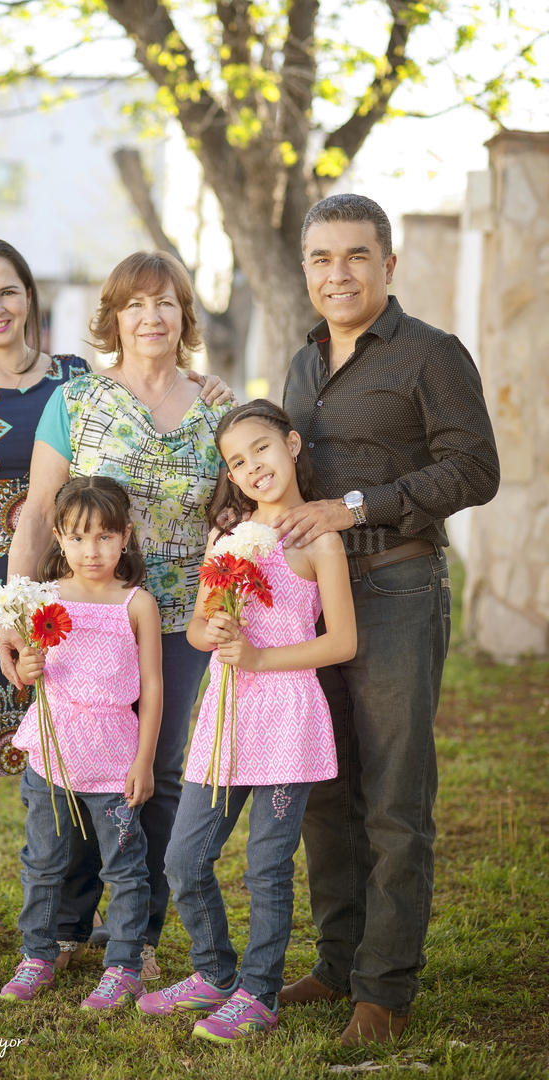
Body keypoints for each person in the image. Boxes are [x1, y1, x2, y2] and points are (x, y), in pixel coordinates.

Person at [0, 238, 227, 958]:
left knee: (134, 762)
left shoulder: (120, 388)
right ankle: (18, 908)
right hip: (35, 599)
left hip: (140, 599)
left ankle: (120, 924)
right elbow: (24, 504)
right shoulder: (0, 390)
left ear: (31, 296)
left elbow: (214, 484)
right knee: (19, 754)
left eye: (9, 291)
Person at [276, 194, 500, 1046]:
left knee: (396, 797)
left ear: (389, 264)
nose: (339, 274)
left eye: (356, 257)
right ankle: (337, 964)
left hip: (400, 589)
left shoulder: (431, 354)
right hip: (316, 600)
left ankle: (386, 989)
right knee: (328, 790)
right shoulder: (300, 364)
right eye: (322, 259)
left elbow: (475, 468)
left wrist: (359, 504)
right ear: (306, 270)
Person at [1, 250, 234, 980]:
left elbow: (240, 505)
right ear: (115, 317)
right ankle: (66, 925)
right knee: (71, 766)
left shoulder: (218, 406)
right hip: (86, 616)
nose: (152, 317)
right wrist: (16, 608)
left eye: (166, 303)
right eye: (136, 304)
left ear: (184, 315)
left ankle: (139, 930)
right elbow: (40, 511)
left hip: (179, 620)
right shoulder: (74, 402)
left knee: (158, 774)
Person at [136, 400, 357, 1044]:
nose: (251, 466)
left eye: (260, 449)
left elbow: (341, 641)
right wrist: (217, 630)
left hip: (288, 720)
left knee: (266, 866)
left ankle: (259, 993)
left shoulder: (318, 540)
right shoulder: (228, 540)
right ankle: (213, 972)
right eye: (236, 461)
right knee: (184, 858)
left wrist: (261, 655)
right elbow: (202, 627)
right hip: (227, 720)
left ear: (291, 445)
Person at [0, 476, 162, 1008]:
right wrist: (26, 665)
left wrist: (145, 760)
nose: (91, 551)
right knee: (44, 860)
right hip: (52, 757)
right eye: (78, 538)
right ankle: (38, 954)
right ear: (59, 539)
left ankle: (124, 965)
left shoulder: (135, 604)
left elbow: (153, 687)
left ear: (125, 537)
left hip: (115, 760)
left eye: (105, 537)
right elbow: (29, 672)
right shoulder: (43, 599)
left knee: (124, 866)